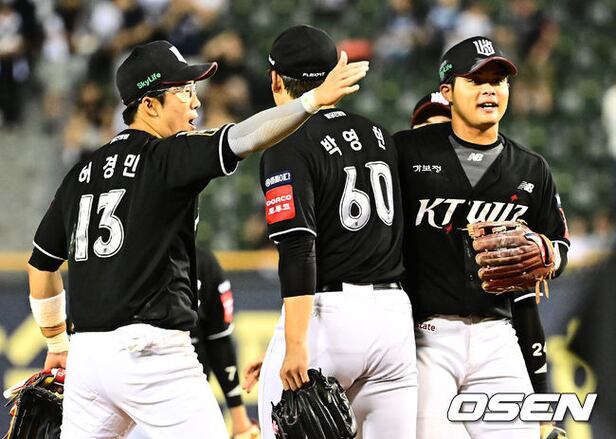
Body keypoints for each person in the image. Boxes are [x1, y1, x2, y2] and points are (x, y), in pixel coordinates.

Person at [26, 39, 368, 438]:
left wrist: (56, 341)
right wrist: (311, 101)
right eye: (184, 91)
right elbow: (245, 138)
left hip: (88, 359)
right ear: (149, 105)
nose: (195, 101)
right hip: (151, 353)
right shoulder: (165, 156)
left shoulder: (79, 175)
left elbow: (41, 267)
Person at [393, 36, 570, 438]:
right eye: (475, 80)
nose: (490, 89)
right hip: (425, 337)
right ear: (447, 91)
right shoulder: (405, 152)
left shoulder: (531, 168)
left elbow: (560, 244)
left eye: (498, 80)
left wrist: (550, 254)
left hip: (497, 335)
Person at [256, 25, 417, 439]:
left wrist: (294, 344)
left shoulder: (286, 141)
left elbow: (298, 247)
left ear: (276, 81)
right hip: (393, 319)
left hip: (329, 318)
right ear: (335, 77)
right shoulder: (379, 134)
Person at [128, 246, 260, 439]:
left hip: (186, 399)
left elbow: (219, 340)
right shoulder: (125, 259)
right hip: (132, 399)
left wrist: (239, 417)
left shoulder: (203, 262)